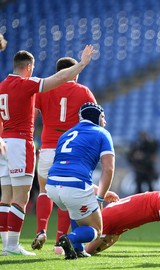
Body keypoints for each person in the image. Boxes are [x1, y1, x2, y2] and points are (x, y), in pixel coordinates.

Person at [0, 45, 94, 256]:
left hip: (7, 142)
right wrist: (82, 64)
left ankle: (9, 243)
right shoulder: (26, 84)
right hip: (29, 144)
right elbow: (59, 81)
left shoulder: (2, 86)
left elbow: (31, 111)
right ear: (29, 67)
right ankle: (15, 246)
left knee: (7, 195)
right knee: (23, 196)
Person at [31, 56, 97, 255]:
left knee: (44, 191)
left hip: (48, 147)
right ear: (73, 72)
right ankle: (60, 242)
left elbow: (31, 117)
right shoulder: (83, 91)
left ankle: (41, 230)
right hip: (71, 151)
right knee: (67, 196)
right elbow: (97, 118)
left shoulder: (45, 90)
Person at [45, 102, 115, 260]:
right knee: (97, 230)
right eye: (103, 117)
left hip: (52, 185)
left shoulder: (66, 134)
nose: (105, 122)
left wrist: (96, 190)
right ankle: (70, 239)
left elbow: (68, 170)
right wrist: (100, 197)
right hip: (74, 187)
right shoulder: (102, 133)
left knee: (75, 209)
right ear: (96, 117)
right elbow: (109, 169)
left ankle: (78, 249)